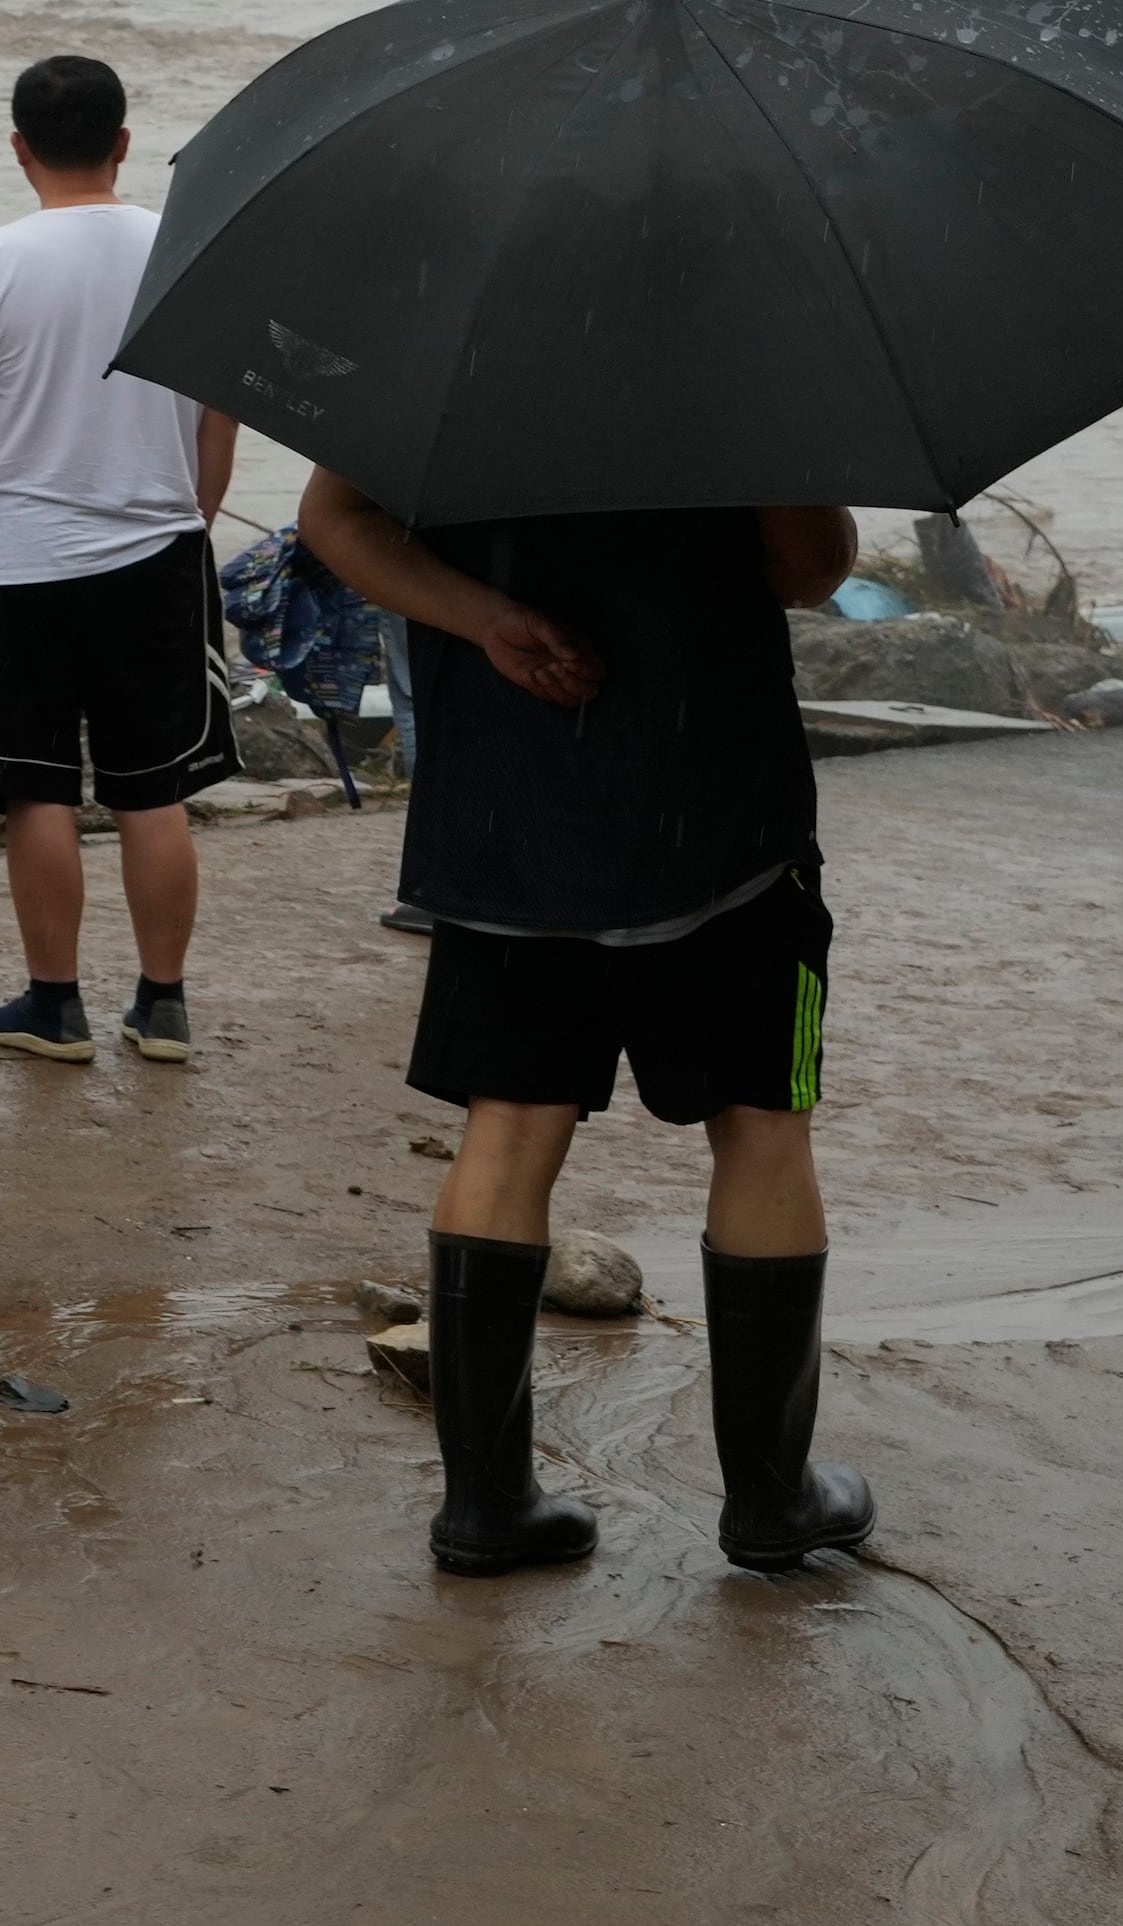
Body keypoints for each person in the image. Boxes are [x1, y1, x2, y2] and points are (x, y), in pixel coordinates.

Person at [293, 470, 877, 1580]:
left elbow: (334, 518)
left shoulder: (448, 363)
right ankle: (770, 1496)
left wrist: (489, 619)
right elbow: (806, 572)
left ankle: (485, 1504)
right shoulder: (746, 370)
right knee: (761, 1119)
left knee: (510, 1121)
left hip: (504, 805)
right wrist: (787, 462)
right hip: (719, 813)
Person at [0, 55, 239, 1066]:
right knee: (151, 788)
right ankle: (162, 1006)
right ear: (123, 143)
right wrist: (193, 516)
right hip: (156, 552)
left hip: (24, 562)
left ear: (19, 149)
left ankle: (55, 1007)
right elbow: (219, 409)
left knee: (38, 786)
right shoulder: (180, 247)